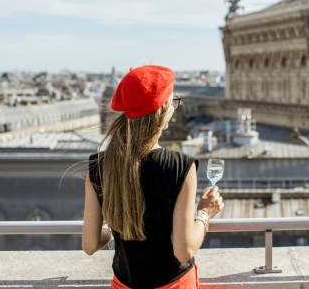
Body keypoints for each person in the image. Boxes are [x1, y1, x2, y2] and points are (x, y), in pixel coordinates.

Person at [82, 65, 224, 289]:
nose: (175, 107)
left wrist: (119, 221)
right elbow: (183, 250)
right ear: (161, 111)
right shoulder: (181, 166)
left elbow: (90, 244)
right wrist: (205, 213)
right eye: (173, 102)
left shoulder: (99, 166)